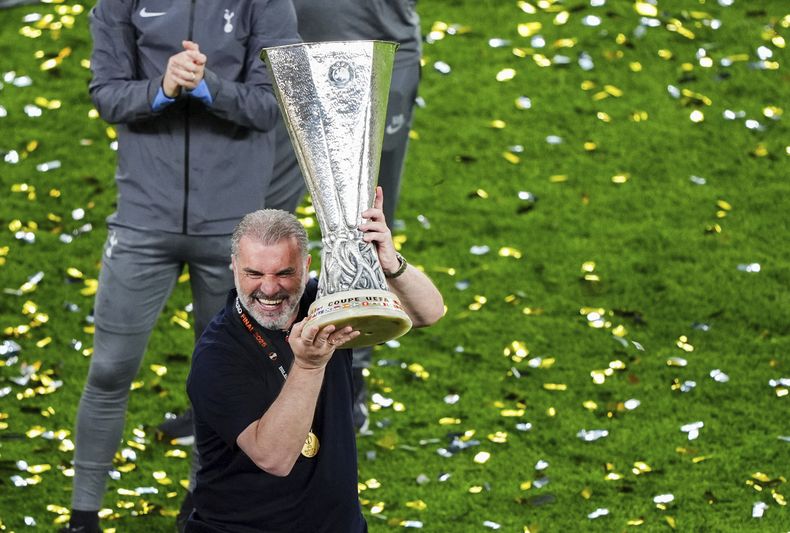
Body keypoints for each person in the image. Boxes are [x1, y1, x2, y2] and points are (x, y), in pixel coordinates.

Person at [61, 2, 299, 532]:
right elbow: (105, 93)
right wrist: (161, 88)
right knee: (109, 370)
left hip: (233, 233)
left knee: (222, 380)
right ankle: (82, 517)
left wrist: (209, 85)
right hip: (142, 221)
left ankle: (201, 506)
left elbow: (273, 104)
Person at [185, 187, 443, 531]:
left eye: (284, 273)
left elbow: (428, 312)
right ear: (233, 267)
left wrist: (390, 264)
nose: (270, 289)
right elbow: (274, 458)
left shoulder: (323, 303)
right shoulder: (217, 355)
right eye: (254, 274)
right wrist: (309, 365)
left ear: (306, 266)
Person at [266, 0, 423, 432]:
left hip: (371, 60)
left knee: (364, 222)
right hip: (282, 60)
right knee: (262, 221)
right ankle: (250, 366)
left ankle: (351, 375)